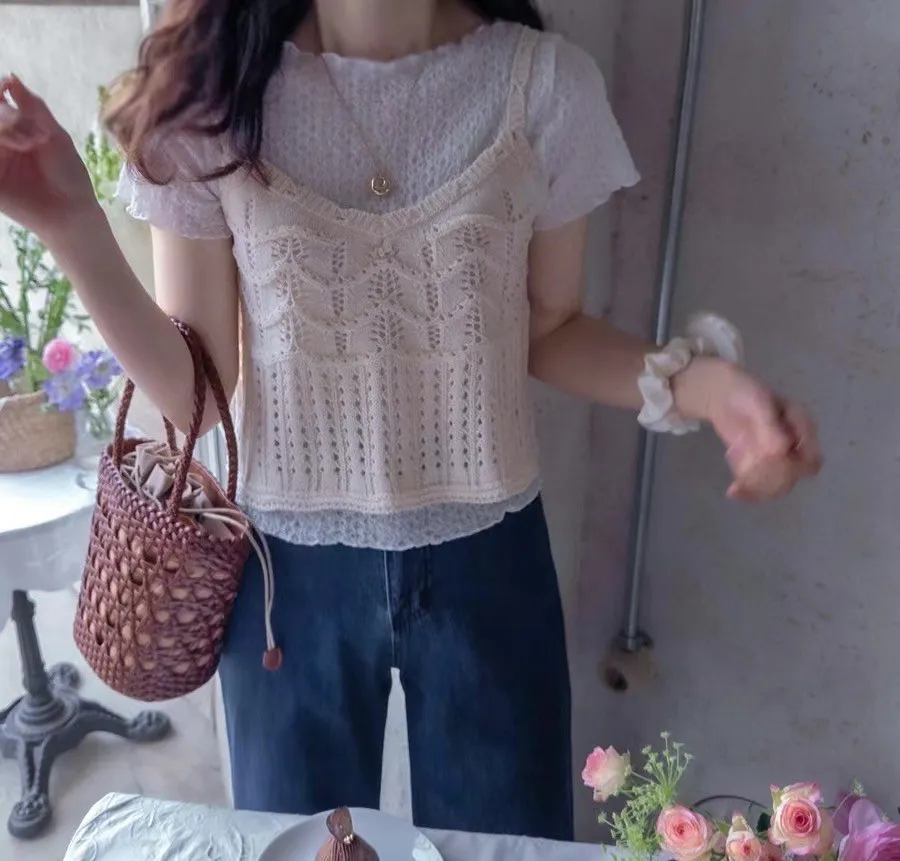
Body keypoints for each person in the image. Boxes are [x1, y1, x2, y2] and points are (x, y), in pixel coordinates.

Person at [0, 0, 821, 841]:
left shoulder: (541, 87)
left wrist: (708, 387)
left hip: (491, 559)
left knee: (507, 849)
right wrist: (70, 224)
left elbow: (551, 328)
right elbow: (198, 392)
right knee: (297, 851)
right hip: (284, 578)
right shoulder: (214, 96)